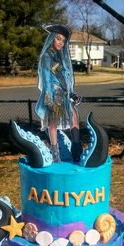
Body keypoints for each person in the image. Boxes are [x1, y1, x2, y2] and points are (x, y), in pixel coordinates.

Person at [35, 24, 82, 162]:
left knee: (74, 119)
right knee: (53, 122)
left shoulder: (61, 57)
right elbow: (46, 80)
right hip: (54, 93)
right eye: (58, 39)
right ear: (52, 39)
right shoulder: (46, 57)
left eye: (63, 41)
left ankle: (77, 151)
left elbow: (65, 79)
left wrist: (72, 94)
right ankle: (55, 155)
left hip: (65, 95)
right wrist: (49, 100)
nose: (61, 43)